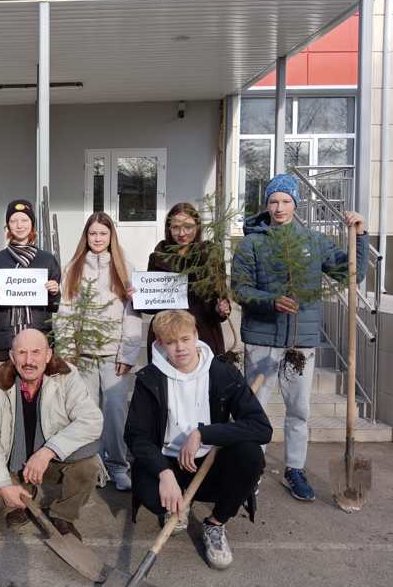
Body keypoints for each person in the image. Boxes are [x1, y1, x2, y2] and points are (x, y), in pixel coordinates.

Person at [231, 174, 368, 502]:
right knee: (255, 410)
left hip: (300, 342)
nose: (279, 208)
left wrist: (359, 235)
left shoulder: (313, 241)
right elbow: (240, 287)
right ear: (266, 205)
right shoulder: (252, 242)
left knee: (299, 410)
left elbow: (352, 273)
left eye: (286, 201)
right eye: (273, 201)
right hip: (262, 338)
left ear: (296, 204)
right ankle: (253, 469)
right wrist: (271, 300)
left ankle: (294, 469)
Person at [126, 310, 272, 571]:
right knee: (148, 489)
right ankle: (176, 506)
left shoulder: (222, 373)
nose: (180, 348)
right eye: (170, 342)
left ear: (195, 336)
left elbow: (261, 427)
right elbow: (136, 436)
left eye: (184, 339)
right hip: (169, 463)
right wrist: (163, 473)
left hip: (209, 467)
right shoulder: (150, 378)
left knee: (250, 455)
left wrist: (205, 433)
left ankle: (215, 524)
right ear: (159, 344)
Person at [0, 328, 103, 541]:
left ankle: (63, 516)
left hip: (49, 461)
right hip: (10, 461)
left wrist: (48, 451)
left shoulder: (67, 376)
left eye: (36, 352)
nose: (28, 360)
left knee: (88, 466)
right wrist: (3, 485)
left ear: (48, 355)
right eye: (21, 353)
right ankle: (16, 502)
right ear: (12, 357)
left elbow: (92, 421)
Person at [54, 212, 142, 491]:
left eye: (103, 234)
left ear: (111, 236)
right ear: (86, 236)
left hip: (114, 356)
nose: (98, 239)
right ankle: (94, 467)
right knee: (88, 416)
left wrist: (127, 354)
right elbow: (65, 310)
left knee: (115, 412)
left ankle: (118, 465)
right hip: (84, 356)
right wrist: (68, 349)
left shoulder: (125, 267)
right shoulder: (73, 267)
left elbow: (132, 314)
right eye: (93, 234)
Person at [141, 202, 231, 364]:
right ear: (168, 228)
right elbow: (151, 305)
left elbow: (220, 298)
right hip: (167, 335)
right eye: (175, 227)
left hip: (203, 333)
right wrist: (138, 296)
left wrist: (222, 309)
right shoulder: (159, 257)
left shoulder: (210, 254)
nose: (182, 233)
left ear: (197, 226)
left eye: (188, 227)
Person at [0, 199, 61, 375]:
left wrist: (54, 293)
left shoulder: (47, 260)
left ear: (32, 224)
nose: (19, 225)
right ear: (7, 226)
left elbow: (54, 306)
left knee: (36, 397)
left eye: (24, 220)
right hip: (2, 340)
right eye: (13, 220)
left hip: (37, 338)